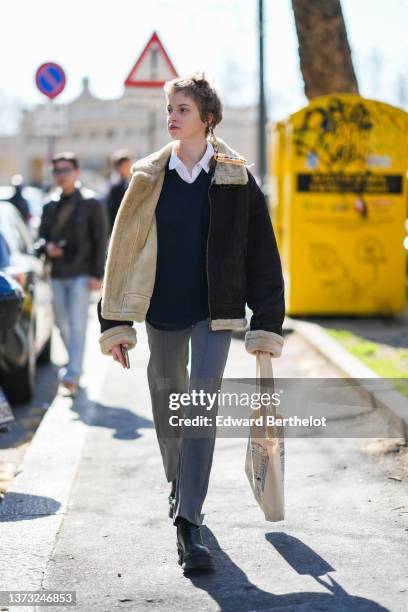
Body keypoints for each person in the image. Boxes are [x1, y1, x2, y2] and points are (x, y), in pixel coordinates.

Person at [97, 73, 285, 572]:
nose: (172, 116)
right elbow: (122, 252)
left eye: (182, 108)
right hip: (161, 311)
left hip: (214, 313)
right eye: (170, 108)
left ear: (207, 117)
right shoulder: (147, 177)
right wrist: (115, 324)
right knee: (168, 406)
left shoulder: (235, 177)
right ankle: (179, 484)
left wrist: (266, 322)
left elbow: (262, 255)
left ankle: (190, 524)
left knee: (199, 409)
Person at [38, 152, 109, 396]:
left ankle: (73, 374)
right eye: (57, 171)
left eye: (66, 170)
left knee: (78, 324)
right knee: (61, 324)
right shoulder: (49, 204)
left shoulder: (92, 203)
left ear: (76, 172)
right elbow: (41, 237)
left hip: (81, 273)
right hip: (57, 274)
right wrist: (47, 247)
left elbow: (101, 240)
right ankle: (74, 365)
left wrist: (96, 275)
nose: (61, 175)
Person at [105, 149, 133, 232]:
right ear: (119, 167)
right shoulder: (114, 187)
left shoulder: (130, 182)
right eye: (126, 166)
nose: (129, 168)